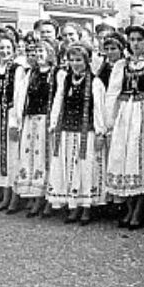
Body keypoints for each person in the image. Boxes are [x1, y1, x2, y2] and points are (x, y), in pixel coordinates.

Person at [105, 25, 144, 229]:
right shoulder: (121, 65)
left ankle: (139, 210)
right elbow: (112, 94)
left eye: (139, 40)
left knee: (142, 159)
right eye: (132, 39)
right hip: (125, 114)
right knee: (123, 159)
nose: (135, 43)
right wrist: (110, 122)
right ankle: (129, 206)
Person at [48, 44, 107, 225]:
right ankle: (72, 207)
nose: (75, 63)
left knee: (85, 169)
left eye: (79, 60)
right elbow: (58, 101)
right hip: (66, 130)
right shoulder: (65, 79)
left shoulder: (95, 82)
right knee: (68, 168)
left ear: (87, 61)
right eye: (72, 60)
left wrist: (100, 131)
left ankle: (86, 208)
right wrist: (53, 125)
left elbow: (98, 109)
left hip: (86, 133)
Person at [13, 39, 57, 217]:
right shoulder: (31, 73)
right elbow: (21, 98)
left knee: (45, 160)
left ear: (50, 54)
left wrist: (53, 122)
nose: (39, 55)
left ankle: (47, 200)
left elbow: (58, 98)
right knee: (30, 159)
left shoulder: (57, 73)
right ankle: (35, 198)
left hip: (46, 121)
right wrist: (19, 120)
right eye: (37, 52)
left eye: (43, 52)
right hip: (30, 120)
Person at [0, 35, 25, 212]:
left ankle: (14, 198)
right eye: (1, 48)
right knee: (0, 157)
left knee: (12, 156)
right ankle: (4, 196)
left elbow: (18, 96)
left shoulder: (18, 70)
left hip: (11, 115)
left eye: (8, 48)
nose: (5, 51)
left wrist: (15, 122)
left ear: (14, 50)